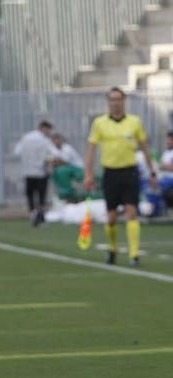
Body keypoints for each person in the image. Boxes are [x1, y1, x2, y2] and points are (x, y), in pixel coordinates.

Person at [84, 87, 158, 266]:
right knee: (111, 217)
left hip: (129, 172)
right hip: (110, 173)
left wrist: (152, 171)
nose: (116, 103)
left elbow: (145, 147)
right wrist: (89, 174)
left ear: (124, 101)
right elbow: (92, 150)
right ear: (108, 102)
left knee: (131, 213)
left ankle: (134, 255)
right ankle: (113, 249)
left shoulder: (134, 122)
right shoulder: (99, 123)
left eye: (119, 99)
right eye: (112, 99)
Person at [14, 119, 55, 226]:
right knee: (42, 197)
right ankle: (40, 218)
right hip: (41, 172)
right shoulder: (45, 141)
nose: (49, 133)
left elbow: (17, 152)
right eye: (48, 130)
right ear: (43, 128)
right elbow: (52, 155)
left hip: (28, 172)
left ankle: (33, 214)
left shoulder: (26, 138)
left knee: (30, 195)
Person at [48, 132, 85, 203]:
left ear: (61, 140)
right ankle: (64, 193)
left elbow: (65, 162)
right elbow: (52, 161)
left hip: (76, 168)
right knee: (57, 172)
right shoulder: (53, 149)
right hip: (67, 169)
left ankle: (68, 192)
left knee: (61, 171)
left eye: (57, 139)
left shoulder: (67, 148)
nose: (56, 141)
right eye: (54, 140)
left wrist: (55, 161)